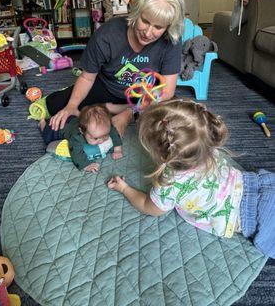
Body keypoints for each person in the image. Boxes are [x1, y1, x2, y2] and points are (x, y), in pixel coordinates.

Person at [108, 98, 275, 259]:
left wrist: (124, 188)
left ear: (161, 155)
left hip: (252, 216)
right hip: (258, 184)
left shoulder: (170, 183)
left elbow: (149, 207)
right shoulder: (208, 146)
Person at [47, 0, 185, 135]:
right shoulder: (107, 34)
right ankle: (106, 106)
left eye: (158, 27)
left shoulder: (172, 40)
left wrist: (128, 114)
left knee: (178, 123)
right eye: (145, 21)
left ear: (168, 27)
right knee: (55, 106)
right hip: (108, 86)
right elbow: (87, 78)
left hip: (148, 95)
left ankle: (112, 108)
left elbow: (166, 92)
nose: (148, 33)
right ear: (136, 11)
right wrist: (72, 105)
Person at [40, 104, 123, 172]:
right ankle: (43, 124)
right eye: (96, 138)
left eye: (105, 136)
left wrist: (117, 149)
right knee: (47, 137)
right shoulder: (76, 137)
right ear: (82, 131)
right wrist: (86, 165)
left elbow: (113, 132)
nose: (101, 141)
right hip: (57, 129)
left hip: (73, 120)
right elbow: (76, 152)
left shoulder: (106, 127)